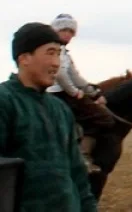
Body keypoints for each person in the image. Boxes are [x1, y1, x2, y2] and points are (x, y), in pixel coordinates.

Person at [0, 22, 98, 211]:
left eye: (58, 54)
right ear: (24, 58)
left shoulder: (60, 109)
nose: (56, 63)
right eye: (50, 52)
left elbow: (78, 175)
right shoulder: (5, 102)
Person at [44, 14, 113, 174]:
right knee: (103, 118)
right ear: (56, 30)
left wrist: (93, 93)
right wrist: (75, 93)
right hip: (58, 94)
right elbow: (60, 76)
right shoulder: (56, 50)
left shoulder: (64, 53)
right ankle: (83, 156)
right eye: (64, 30)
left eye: (71, 31)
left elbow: (75, 76)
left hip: (63, 92)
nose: (68, 34)